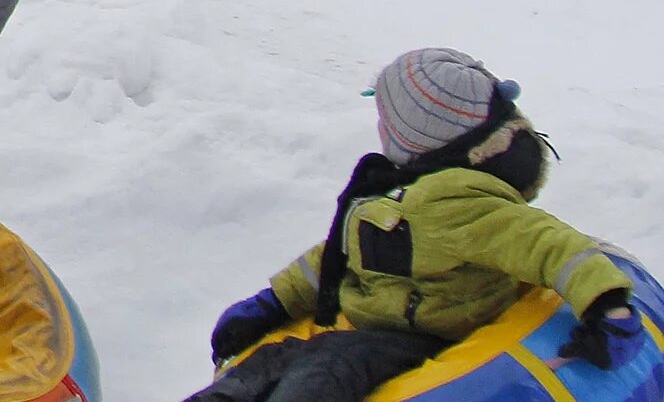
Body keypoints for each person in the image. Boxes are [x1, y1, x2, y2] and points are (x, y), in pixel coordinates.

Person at [187, 52, 641, 402]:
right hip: (367, 328)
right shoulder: (397, 191)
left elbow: (550, 245)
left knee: (323, 373)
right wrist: (271, 303)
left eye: (386, 121)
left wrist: (609, 306)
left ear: (418, 136)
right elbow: (338, 256)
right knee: (269, 362)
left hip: (423, 337)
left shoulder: (459, 201)